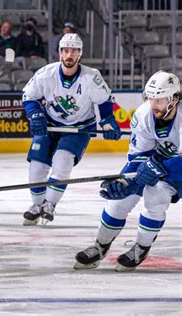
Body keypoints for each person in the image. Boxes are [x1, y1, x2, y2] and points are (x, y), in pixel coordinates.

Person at [75, 70, 181, 272]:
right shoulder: (143, 114)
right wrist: (126, 181)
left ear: (174, 99)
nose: (154, 104)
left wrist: (156, 168)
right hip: (160, 163)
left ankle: (142, 247)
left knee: (156, 194)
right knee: (119, 199)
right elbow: (139, 156)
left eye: (159, 99)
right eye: (151, 98)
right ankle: (100, 245)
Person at [21, 33, 122, 226]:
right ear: (60, 53)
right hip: (50, 125)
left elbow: (104, 101)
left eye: (74, 51)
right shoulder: (45, 74)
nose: (69, 55)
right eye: (66, 50)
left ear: (79, 54)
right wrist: (35, 115)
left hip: (79, 127)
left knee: (62, 161)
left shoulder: (91, 77)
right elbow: (29, 97)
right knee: (37, 167)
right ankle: (37, 205)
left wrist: (108, 122)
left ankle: (49, 204)